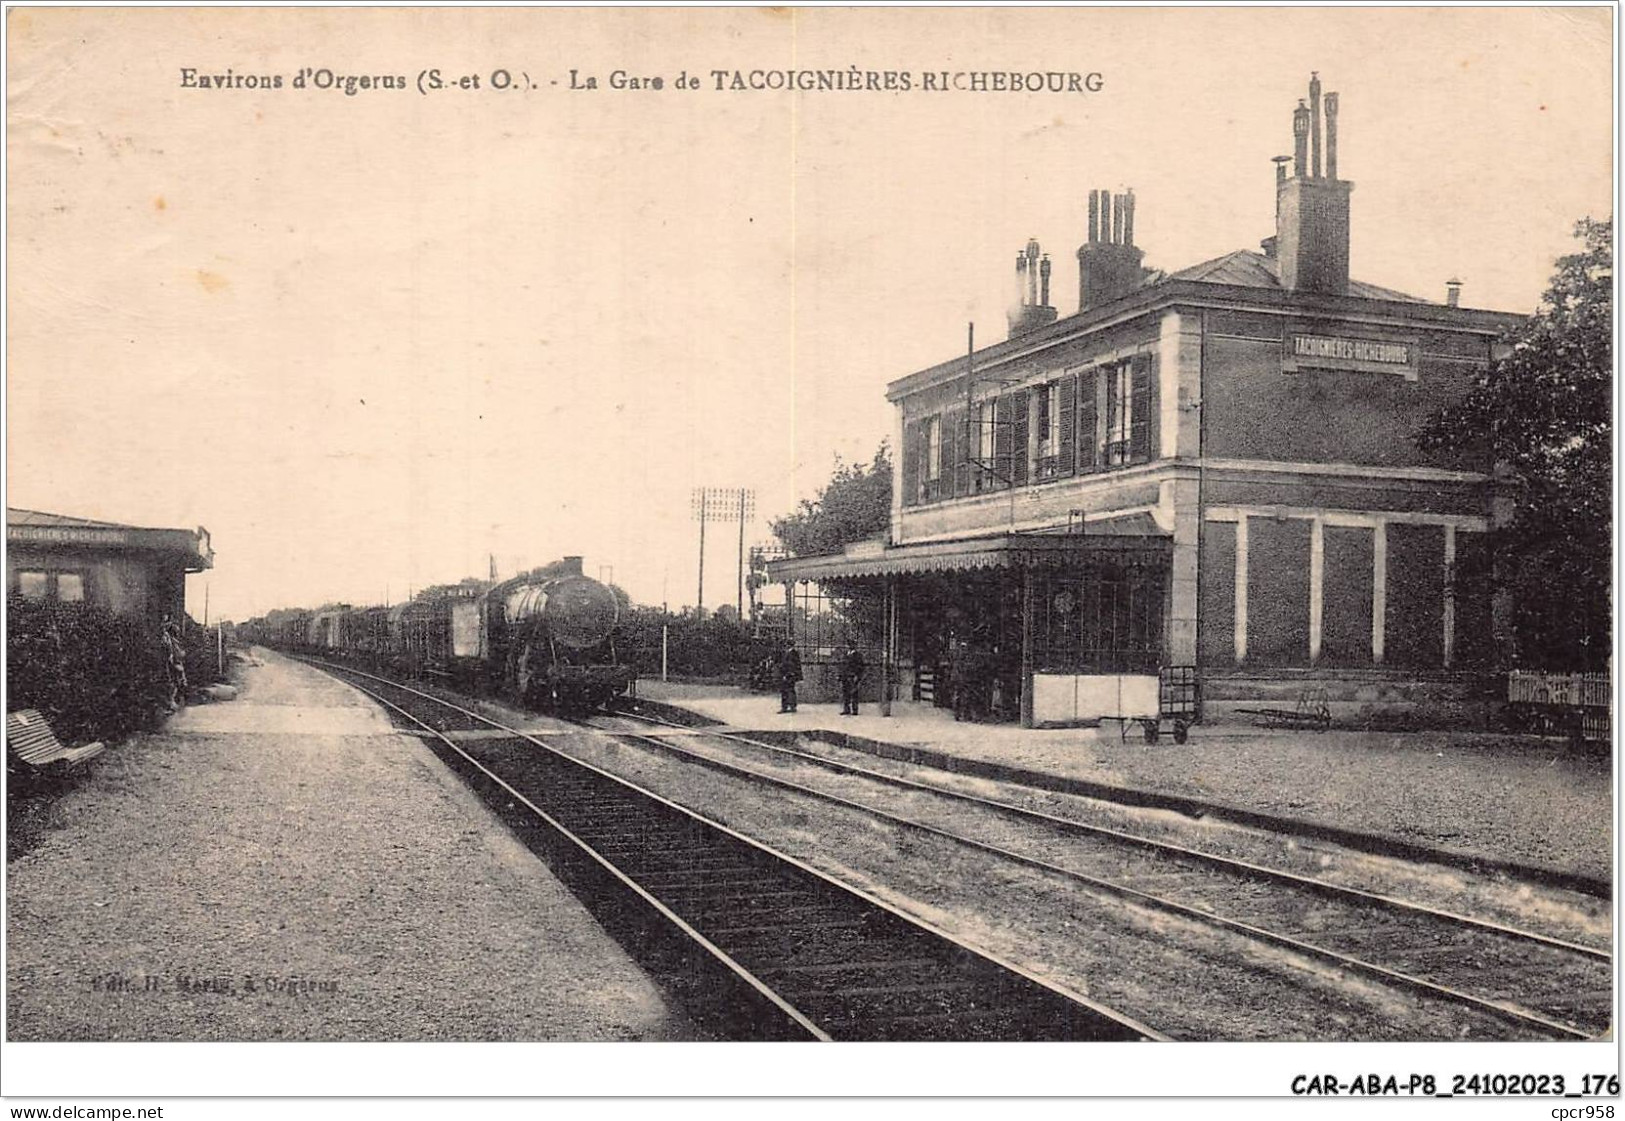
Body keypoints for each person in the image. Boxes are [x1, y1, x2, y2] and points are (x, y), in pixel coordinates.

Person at [161, 619, 188, 711]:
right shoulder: (170, 641)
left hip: (177, 663)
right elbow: (173, 653)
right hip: (174, 664)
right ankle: (172, 703)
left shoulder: (175, 641)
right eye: (176, 631)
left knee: (178, 683)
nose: (178, 632)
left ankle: (175, 702)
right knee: (174, 683)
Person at [838, 643, 866, 716]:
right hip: (845, 677)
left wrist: (857, 676)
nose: (847, 647)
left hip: (852, 677)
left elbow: (860, 667)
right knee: (845, 694)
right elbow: (842, 666)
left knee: (854, 693)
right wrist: (840, 676)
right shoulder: (845, 654)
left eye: (849, 645)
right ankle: (846, 709)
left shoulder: (858, 656)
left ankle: (855, 709)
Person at [776, 641, 802, 714]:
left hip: (789, 675)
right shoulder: (791, 653)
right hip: (789, 675)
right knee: (789, 690)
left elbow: (791, 666)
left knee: (787, 691)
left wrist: (786, 675)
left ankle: (786, 707)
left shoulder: (792, 653)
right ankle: (791, 706)